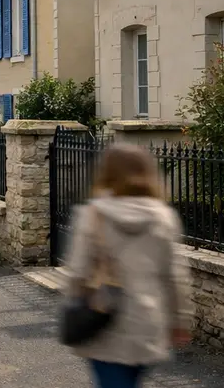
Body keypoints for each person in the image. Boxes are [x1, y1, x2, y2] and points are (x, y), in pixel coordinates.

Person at [63, 145, 191, 388]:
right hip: (147, 324)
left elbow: (78, 273)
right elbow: (175, 277)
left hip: (104, 324)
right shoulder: (164, 217)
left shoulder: (93, 215)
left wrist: (73, 306)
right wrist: (180, 321)